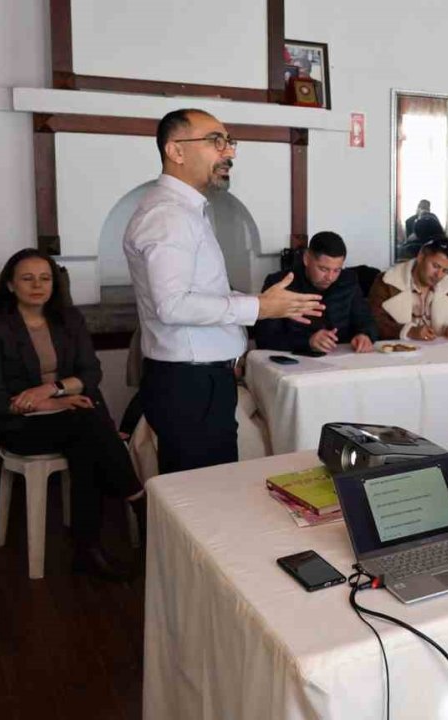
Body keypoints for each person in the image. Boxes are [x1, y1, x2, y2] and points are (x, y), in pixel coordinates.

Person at [124, 108, 323, 474]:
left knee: (212, 492)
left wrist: (266, 305)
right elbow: (173, 306)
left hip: (202, 381)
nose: (229, 152)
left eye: (229, 142)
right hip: (189, 384)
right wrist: (259, 308)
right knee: (202, 501)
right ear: (176, 151)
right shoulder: (168, 216)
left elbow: (200, 293)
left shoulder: (189, 211)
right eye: (216, 141)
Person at [0, 249, 146, 581]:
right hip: (19, 423)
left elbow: (91, 373)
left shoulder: (69, 319)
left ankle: (87, 550)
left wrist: (51, 390)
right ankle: (138, 504)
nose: (37, 285)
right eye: (27, 278)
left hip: (70, 416)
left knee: (86, 441)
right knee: (89, 424)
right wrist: (54, 403)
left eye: (45, 278)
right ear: (10, 285)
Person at [255, 231, 377, 354]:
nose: (330, 277)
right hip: (296, 364)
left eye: (337, 270)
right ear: (307, 259)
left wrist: (364, 335)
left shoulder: (348, 280)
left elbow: (366, 320)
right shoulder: (280, 284)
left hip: (343, 358)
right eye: (323, 269)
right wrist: (308, 341)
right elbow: (264, 339)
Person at [369, 237, 448, 341]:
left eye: (444, 270)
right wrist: (409, 331)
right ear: (421, 257)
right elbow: (374, 321)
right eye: (435, 266)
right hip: (396, 352)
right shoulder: (388, 281)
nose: (438, 275)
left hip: (438, 352)